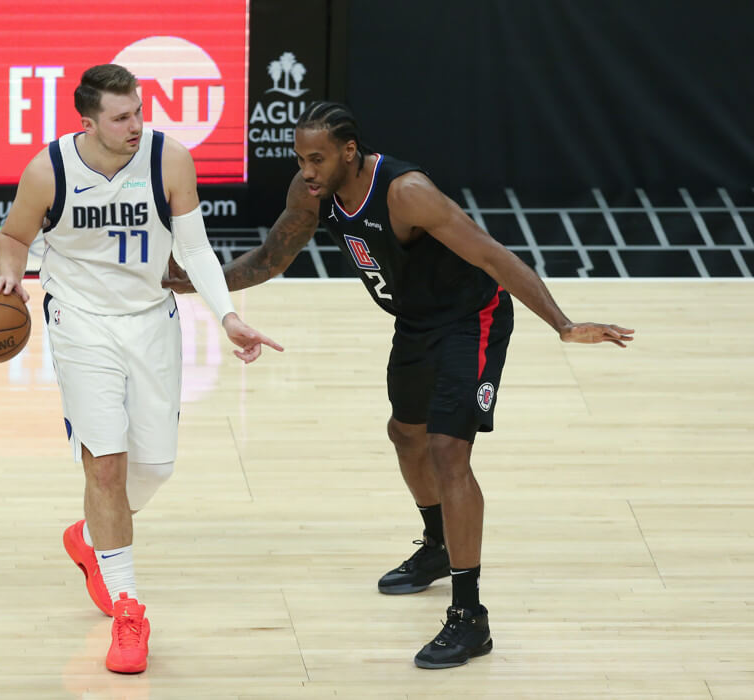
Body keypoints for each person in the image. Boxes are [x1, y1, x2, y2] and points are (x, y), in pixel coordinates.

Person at [164, 101, 633, 669]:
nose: (306, 170)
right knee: (405, 434)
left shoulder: (407, 192)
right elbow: (272, 257)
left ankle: (470, 616)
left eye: (317, 159)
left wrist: (563, 325)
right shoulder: (311, 192)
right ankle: (437, 548)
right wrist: (195, 285)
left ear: (349, 152)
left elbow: (492, 256)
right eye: (300, 159)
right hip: (414, 322)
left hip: (471, 319)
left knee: (447, 450)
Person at [0, 64, 283, 674]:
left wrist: (227, 317)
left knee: (155, 468)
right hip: (81, 324)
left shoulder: (170, 159)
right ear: (87, 122)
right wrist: (11, 272)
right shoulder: (49, 170)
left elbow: (193, 248)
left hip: (151, 319)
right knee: (107, 465)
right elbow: (13, 236)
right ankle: (128, 609)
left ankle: (90, 538)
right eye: (121, 117)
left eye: (139, 111)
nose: (136, 125)